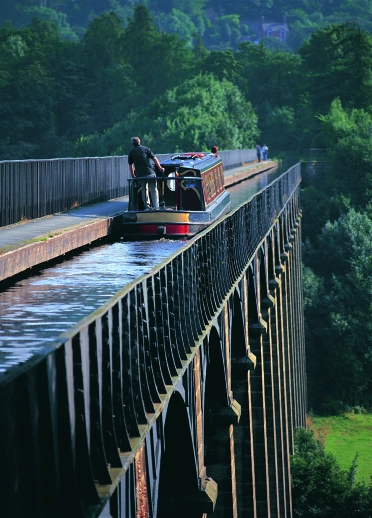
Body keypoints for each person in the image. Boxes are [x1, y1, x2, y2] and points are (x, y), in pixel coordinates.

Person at [128, 137, 164, 210]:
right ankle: (156, 206)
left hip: (140, 174)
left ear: (133, 144)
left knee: (144, 189)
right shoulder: (146, 149)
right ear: (139, 142)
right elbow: (154, 158)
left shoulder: (131, 152)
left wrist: (133, 174)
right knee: (154, 189)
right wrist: (160, 168)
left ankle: (147, 207)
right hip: (150, 173)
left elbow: (130, 165)